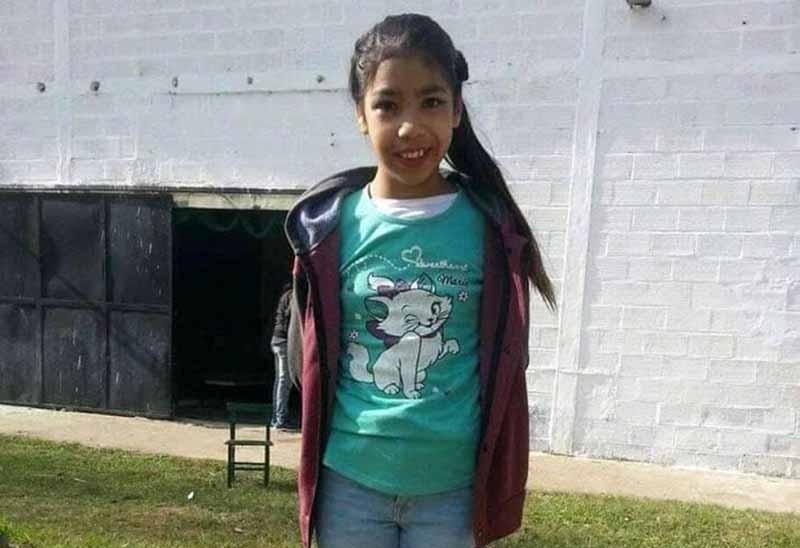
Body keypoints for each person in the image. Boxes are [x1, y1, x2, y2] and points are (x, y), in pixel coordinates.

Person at [283, 13, 556, 548]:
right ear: (360, 114)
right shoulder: (327, 229)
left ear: (457, 109)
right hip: (349, 486)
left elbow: (505, 358)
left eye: (431, 101)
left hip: (453, 491)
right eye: (387, 105)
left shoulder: (491, 229)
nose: (409, 127)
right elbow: (304, 363)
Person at [269, 281, 295, 430]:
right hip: (284, 340)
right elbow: (293, 317)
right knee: (285, 381)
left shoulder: (285, 295)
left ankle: (276, 417)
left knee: (279, 381)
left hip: (277, 339)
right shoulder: (292, 296)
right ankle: (280, 418)